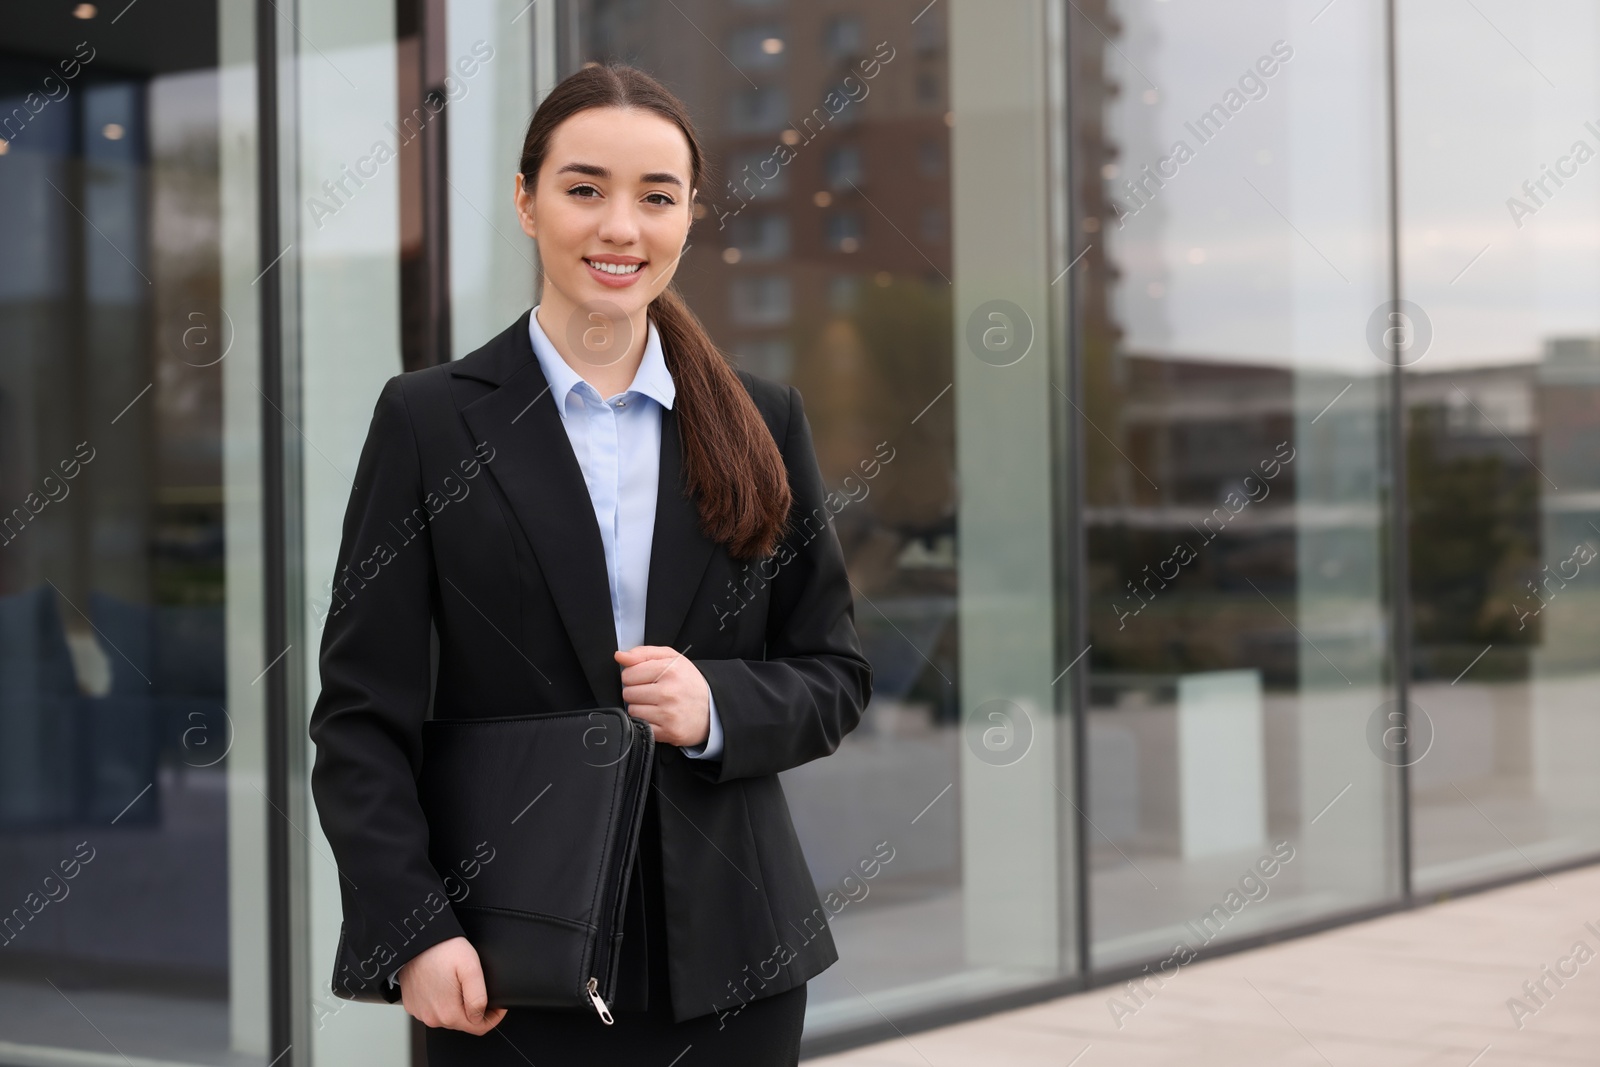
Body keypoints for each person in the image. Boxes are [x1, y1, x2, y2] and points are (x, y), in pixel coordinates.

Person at [307, 62, 873, 1066]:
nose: (621, 226)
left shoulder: (763, 419)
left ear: (690, 216)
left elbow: (833, 674)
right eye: (584, 188)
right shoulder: (428, 419)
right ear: (526, 202)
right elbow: (360, 717)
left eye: (656, 197)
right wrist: (415, 926)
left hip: (733, 965)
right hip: (507, 959)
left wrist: (715, 708)